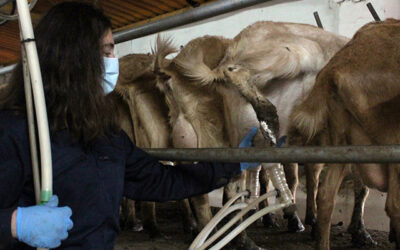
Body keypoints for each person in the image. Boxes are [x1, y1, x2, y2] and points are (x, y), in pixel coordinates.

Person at [0, 2, 260, 249]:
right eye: (105, 52)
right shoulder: (16, 131)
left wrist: (234, 161)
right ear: (72, 58)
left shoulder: (104, 134)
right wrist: (13, 224)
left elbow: (162, 181)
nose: (114, 60)